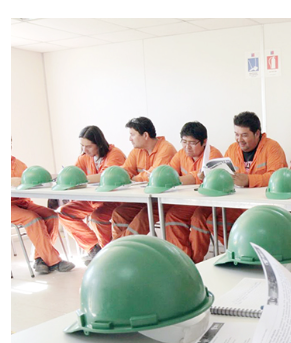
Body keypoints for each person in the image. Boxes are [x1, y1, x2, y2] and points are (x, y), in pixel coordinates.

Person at [51, 124, 127, 258]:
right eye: (82, 146)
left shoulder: (115, 154)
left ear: (100, 144)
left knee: (98, 216)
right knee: (64, 212)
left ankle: (108, 253)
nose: (84, 150)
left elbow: (106, 177)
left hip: (113, 200)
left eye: (89, 146)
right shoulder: (84, 156)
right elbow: (74, 173)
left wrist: (78, 179)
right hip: (92, 200)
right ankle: (94, 248)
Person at [164, 119, 222, 261]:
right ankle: (183, 259)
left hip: (210, 203)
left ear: (204, 142)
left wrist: (175, 180)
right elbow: (169, 173)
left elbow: (197, 177)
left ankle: (196, 261)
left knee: (198, 218)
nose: (187, 147)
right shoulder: (180, 154)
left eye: (192, 143)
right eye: (184, 142)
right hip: (189, 201)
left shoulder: (213, 155)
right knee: (172, 215)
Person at [110, 117, 177, 239]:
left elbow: (154, 176)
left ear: (145, 135)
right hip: (143, 199)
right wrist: (122, 176)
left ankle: (120, 247)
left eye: (132, 135)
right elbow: (124, 172)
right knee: (119, 213)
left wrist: (132, 178)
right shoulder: (136, 151)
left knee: (144, 216)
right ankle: (118, 247)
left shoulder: (166, 149)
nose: (129, 139)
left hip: (162, 201)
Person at [11, 149, 68, 274]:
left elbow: (27, 183)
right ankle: (54, 261)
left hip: (23, 202)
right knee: (32, 218)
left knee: (51, 215)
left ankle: (40, 258)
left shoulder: (18, 164)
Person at [225, 112, 287, 188]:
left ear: (257, 134)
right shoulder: (231, 150)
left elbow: (277, 177)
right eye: (237, 134)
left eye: (244, 135)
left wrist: (249, 180)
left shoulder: (272, 147)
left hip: (265, 195)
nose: (239, 139)